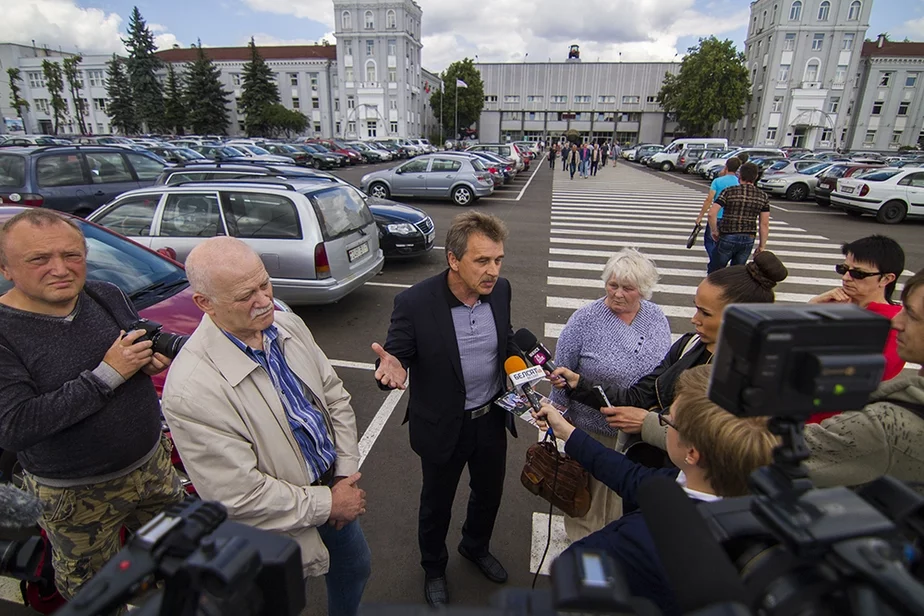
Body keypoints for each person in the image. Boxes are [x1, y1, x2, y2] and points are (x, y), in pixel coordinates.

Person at [160, 237, 370, 616]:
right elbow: (238, 496)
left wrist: (344, 475)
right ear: (204, 303)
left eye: (264, 284)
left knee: (354, 568)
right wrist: (328, 504)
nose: (263, 300)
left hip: (335, 487)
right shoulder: (191, 389)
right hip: (273, 527)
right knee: (282, 602)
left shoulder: (287, 324)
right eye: (245, 295)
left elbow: (334, 397)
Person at [0, 209, 185, 599]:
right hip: (76, 495)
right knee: (97, 593)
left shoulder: (105, 293)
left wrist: (147, 360)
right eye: (39, 259)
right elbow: (16, 425)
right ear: (6, 268)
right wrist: (109, 373)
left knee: (182, 556)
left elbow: (137, 342)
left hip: (152, 468)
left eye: (72, 255)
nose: (61, 269)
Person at [536, 365, 777, 616]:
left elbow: (573, 565)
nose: (664, 422)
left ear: (692, 453)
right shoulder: (768, 508)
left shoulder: (641, 538)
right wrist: (568, 432)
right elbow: (633, 478)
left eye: (669, 420)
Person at [371, 212, 519, 607]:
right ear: (454, 260)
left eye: (498, 260)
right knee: (436, 503)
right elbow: (395, 354)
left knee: (489, 493)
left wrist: (525, 361)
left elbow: (504, 339)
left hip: (490, 418)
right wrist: (390, 367)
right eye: (482, 261)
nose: (493, 271)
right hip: (442, 426)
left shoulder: (501, 291)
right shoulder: (415, 303)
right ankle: (434, 567)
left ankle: (475, 545)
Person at [551, 252, 789, 454]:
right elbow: (639, 397)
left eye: (705, 313)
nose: (693, 319)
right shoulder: (689, 346)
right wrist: (579, 384)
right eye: (613, 285)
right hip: (647, 458)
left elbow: (720, 443)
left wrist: (647, 424)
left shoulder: (759, 377)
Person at [550, 248, 672, 540]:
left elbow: (664, 372)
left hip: (636, 435)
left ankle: (614, 551)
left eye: (627, 288)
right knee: (585, 503)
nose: (617, 294)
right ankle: (584, 558)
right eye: (612, 285)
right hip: (591, 432)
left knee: (622, 501)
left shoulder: (656, 318)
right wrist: (558, 422)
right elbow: (561, 373)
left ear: (643, 290)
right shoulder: (585, 320)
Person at [805, 268, 924, 491]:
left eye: (912, 314)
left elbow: (769, 454)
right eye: (843, 269)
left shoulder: (886, 427)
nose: (898, 323)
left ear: (886, 278)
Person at [809, 235, 906, 390]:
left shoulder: (896, 322)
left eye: (858, 274)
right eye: (844, 269)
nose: (846, 278)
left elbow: (870, 373)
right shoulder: (833, 304)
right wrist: (811, 308)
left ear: (886, 279)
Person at [707, 162, 770, 273]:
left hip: (728, 234)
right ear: (756, 177)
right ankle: (732, 289)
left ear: (739, 175)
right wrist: (761, 246)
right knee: (736, 273)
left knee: (716, 271)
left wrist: (714, 231)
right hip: (748, 237)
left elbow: (712, 213)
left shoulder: (729, 192)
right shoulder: (763, 196)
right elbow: (764, 224)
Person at [694, 157, 741, 260]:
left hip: (716, 216)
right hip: (731, 218)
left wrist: (700, 216)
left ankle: (715, 261)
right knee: (725, 242)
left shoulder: (717, 181)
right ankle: (719, 261)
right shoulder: (739, 183)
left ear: (726, 166)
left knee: (710, 241)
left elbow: (709, 200)